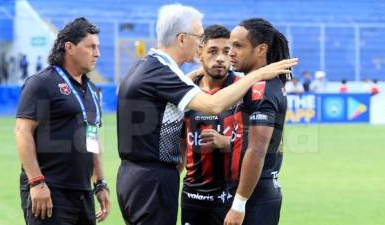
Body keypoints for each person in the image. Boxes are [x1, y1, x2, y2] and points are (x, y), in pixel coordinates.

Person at [116, 4, 297, 225]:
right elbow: (212, 105)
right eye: (200, 38)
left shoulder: (146, 66)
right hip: (153, 180)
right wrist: (258, 73)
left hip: (140, 177)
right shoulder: (160, 72)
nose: (201, 43)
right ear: (182, 39)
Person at [15, 17, 110, 225]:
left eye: (98, 47)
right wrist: (36, 182)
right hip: (49, 191)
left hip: (83, 192)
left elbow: (92, 138)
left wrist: (100, 183)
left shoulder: (93, 90)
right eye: (91, 47)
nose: (98, 53)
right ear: (70, 48)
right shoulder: (42, 83)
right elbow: (22, 132)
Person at [224, 18, 291, 225]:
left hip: (255, 196)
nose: (230, 53)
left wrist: (238, 205)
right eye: (230, 46)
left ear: (261, 49)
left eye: (238, 46)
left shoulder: (261, 89)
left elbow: (257, 150)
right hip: (251, 191)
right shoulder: (252, 84)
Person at [179, 24, 243, 225]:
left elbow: (262, 148)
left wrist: (227, 142)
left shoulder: (243, 90)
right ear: (199, 53)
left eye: (226, 51)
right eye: (213, 51)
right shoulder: (185, 91)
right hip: (192, 196)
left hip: (228, 197)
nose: (221, 58)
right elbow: (180, 144)